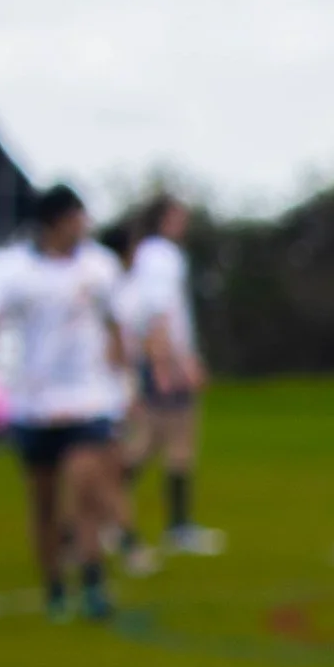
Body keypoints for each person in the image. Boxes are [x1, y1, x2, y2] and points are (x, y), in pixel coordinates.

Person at [0, 185, 129, 617]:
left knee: (84, 487)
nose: (85, 226)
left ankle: (94, 583)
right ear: (57, 221)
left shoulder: (99, 267)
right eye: (78, 217)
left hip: (87, 400)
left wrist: (122, 379)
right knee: (43, 503)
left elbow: (117, 324)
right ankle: (55, 586)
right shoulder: (14, 270)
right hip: (34, 404)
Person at [114, 192, 220, 553]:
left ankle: (111, 513)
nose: (184, 222)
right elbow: (158, 314)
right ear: (164, 219)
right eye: (178, 216)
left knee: (156, 442)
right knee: (165, 443)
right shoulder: (162, 256)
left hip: (161, 357)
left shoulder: (148, 255)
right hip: (165, 360)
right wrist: (172, 363)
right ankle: (168, 525)